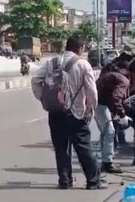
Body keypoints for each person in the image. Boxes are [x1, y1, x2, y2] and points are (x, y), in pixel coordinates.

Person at [39, 35, 107, 190]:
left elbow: (36, 80)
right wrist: (90, 110)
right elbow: (91, 91)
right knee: (83, 147)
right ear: (80, 48)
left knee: (61, 148)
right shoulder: (83, 64)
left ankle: (65, 180)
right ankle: (93, 181)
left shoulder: (52, 62)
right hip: (76, 113)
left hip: (55, 112)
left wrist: (44, 99)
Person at [95, 60, 135, 174]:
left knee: (105, 132)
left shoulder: (112, 74)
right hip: (101, 105)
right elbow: (116, 98)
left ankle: (105, 161)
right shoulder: (123, 80)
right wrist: (122, 115)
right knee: (109, 132)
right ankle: (107, 163)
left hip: (97, 103)